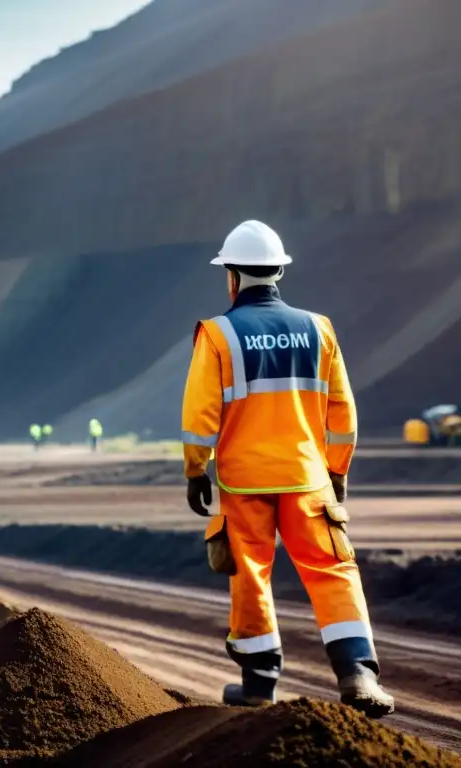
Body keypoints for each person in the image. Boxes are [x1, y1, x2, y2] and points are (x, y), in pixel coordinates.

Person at [180, 220, 394, 717]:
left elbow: (199, 418)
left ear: (230, 276)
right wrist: (337, 470)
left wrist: (196, 471)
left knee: (251, 575)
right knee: (332, 570)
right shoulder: (320, 329)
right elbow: (343, 413)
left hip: (244, 481)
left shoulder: (217, 335)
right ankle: (358, 675)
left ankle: (258, 684)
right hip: (308, 476)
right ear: (278, 271)